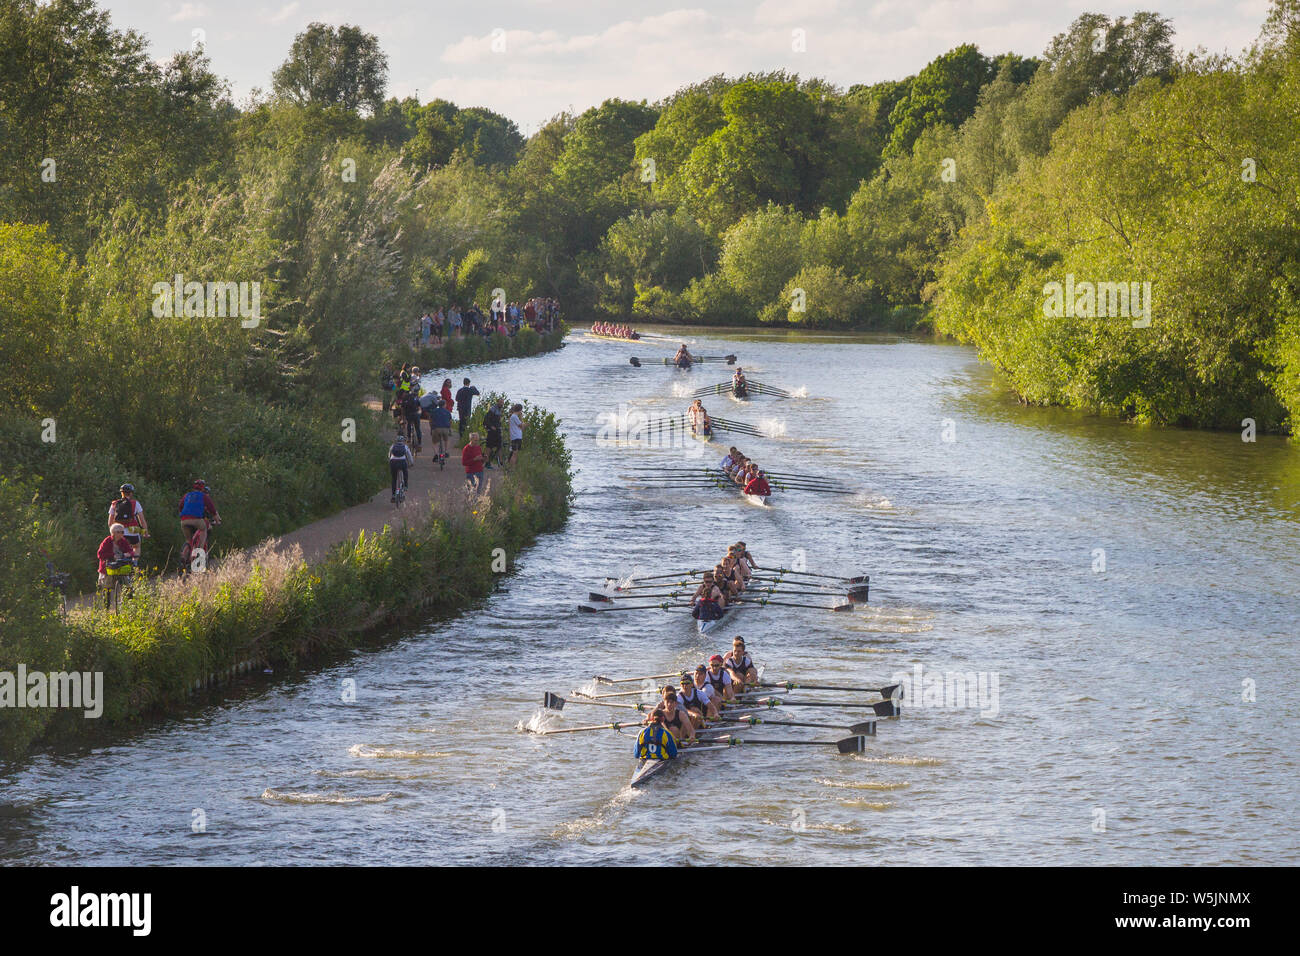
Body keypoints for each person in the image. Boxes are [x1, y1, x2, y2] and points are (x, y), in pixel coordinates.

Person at [96, 523, 138, 605]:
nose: (122, 534)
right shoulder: (107, 541)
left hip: (120, 565)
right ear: (113, 533)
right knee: (106, 586)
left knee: (128, 584)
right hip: (108, 566)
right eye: (119, 532)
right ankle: (106, 606)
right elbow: (100, 554)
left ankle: (129, 604)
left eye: (122, 532)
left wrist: (129, 554)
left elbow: (130, 550)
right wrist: (112, 556)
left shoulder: (123, 541)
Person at [177, 480, 220, 553]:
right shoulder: (203, 496)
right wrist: (217, 521)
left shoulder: (187, 495)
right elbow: (212, 510)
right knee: (204, 529)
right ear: (203, 488)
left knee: (189, 540)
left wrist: (183, 514)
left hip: (183, 520)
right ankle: (200, 551)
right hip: (197, 520)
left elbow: (180, 506)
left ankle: (184, 556)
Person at [108, 483, 149, 550]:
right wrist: (145, 533)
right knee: (137, 547)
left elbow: (110, 522)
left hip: (119, 531)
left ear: (122, 493)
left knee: (118, 549)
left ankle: (119, 559)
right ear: (131, 493)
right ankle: (134, 560)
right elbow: (142, 521)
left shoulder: (114, 504)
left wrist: (113, 533)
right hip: (133, 531)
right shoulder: (136, 503)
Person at [389, 433, 413, 502]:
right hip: (402, 462)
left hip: (393, 462)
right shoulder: (405, 446)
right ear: (403, 441)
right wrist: (411, 463)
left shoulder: (392, 446)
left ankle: (393, 495)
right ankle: (405, 486)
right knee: (405, 472)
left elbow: (389, 455)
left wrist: (390, 461)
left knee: (394, 478)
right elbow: (409, 456)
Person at [483, 400, 504, 469]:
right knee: (489, 447)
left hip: (497, 431)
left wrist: (500, 427)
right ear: (497, 402)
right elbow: (486, 419)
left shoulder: (499, 410)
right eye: (500, 402)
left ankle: (501, 463)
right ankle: (487, 462)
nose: (502, 404)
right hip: (492, 431)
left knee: (500, 446)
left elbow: (498, 421)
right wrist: (491, 427)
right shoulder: (493, 409)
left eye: (502, 402)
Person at [506, 403, 524, 468]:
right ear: (520, 410)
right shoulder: (515, 417)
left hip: (516, 437)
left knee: (514, 453)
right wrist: (521, 418)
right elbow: (522, 426)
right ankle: (512, 469)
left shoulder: (513, 417)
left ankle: (510, 467)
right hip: (516, 437)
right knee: (515, 454)